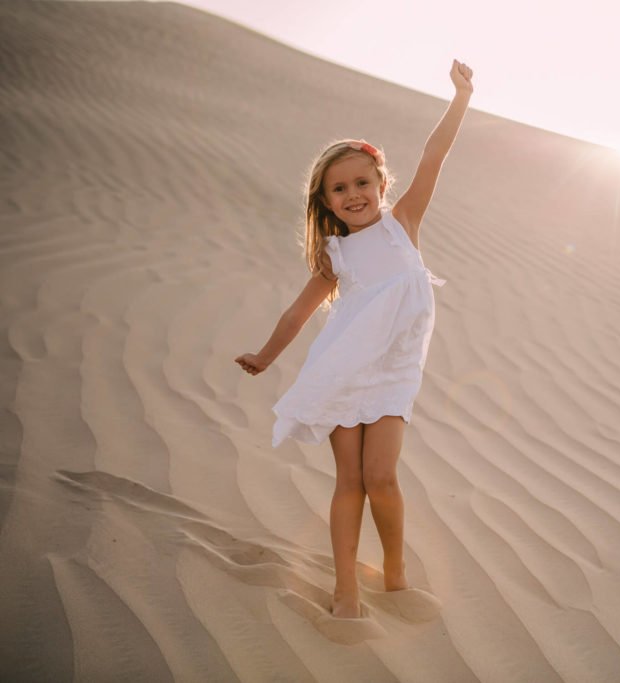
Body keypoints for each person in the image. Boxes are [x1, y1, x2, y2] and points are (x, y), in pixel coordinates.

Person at [235, 59, 474, 620]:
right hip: (344, 370)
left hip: (393, 372)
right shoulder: (335, 256)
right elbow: (298, 313)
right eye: (338, 190)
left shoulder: (403, 224)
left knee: (381, 476)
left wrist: (461, 97)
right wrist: (265, 357)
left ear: (380, 185)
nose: (353, 195)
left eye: (361, 183)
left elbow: (434, 155)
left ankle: (394, 568)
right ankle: (346, 585)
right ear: (325, 202)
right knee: (349, 480)